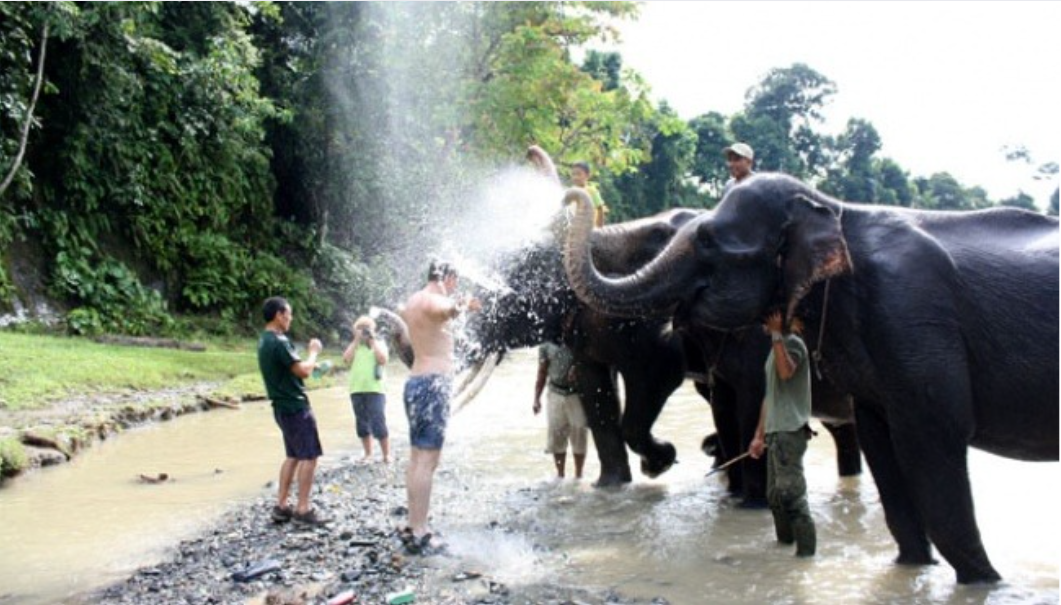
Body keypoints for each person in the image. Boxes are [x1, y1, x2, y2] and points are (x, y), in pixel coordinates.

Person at [398, 261, 481, 552]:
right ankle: (421, 530)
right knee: (428, 461)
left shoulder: (412, 300)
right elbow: (444, 310)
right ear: (447, 277)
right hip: (433, 385)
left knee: (417, 457)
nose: (455, 286)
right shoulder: (434, 300)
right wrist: (461, 306)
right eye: (455, 281)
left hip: (415, 382)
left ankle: (412, 523)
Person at [749, 311, 816, 557]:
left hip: (790, 432)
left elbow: (786, 371)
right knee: (775, 497)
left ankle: (806, 558)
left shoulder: (793, 343)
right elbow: (770, 397)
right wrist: (759, 436)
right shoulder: (774, 350)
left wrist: (778, 335)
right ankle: (784, 548)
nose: (765, 325)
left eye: (768, 320)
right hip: (775, 434)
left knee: (792, 497)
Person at [258, 296, 328, 526]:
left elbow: (290, 370)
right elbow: (302, 371)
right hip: (295, 406)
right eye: (288, 314)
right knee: (309, 456)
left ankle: (282, 505)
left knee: (293, 455)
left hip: (280, 407)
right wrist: (314, 353)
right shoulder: (278, 341)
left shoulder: (264, 341)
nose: (290, 318)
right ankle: (303, 508)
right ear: (279, 315)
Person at [533, 341, 588, 479]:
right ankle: (560, 474)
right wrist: (536, 399)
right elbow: (542, 371)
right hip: (555, 393)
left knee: (579, 432)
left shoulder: (579, 339)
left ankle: (578, 475)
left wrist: (578, 367)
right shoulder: (546, 345)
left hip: (577, 393)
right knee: (556, 434)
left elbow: (590, 360)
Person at [343, 315, 390, 464]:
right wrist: (356, 340)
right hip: (357, 389)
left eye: (366, 328)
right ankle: (368, 453)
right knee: (362, 423)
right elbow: (346, 359)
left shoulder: (379, 343)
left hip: (376, 389)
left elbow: (383, 360)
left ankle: (386, 454)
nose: (364, 332)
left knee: (379, 421)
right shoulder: (355, 346)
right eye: (360, 329)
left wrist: (373, 341)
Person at [570, 161, 609, 227]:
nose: (575, 177)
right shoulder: (571, 191)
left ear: (587, 176)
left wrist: (599, 227)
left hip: (590, 227)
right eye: (573, 174)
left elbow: (600, 208)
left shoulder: (591, 191)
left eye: (579, 174)